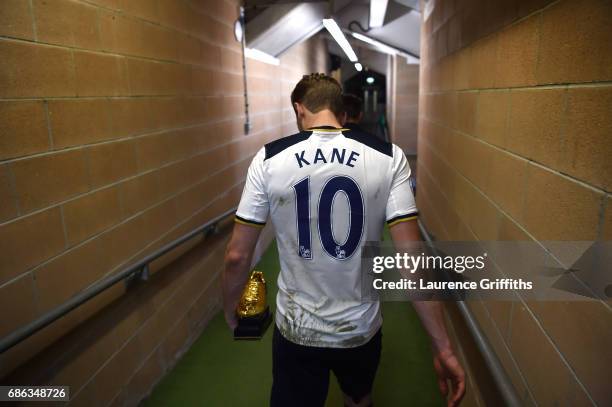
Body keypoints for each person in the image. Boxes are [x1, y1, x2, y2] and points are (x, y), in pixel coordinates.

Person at [222, 73, 465, 407]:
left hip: (297, 329)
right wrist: (444, 347)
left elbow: (237, 256)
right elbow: (413, 262)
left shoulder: (268, 160)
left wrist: (232, 309)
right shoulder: (389, 157)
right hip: (360, 328)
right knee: (359, 398)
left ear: (299, 109)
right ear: (341, 111)